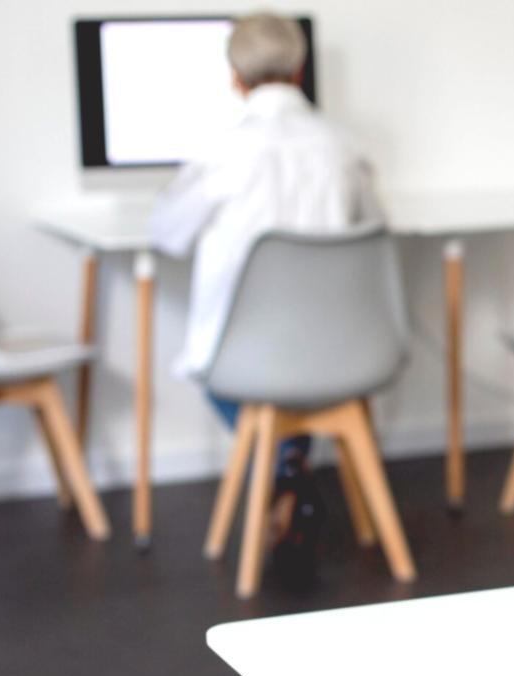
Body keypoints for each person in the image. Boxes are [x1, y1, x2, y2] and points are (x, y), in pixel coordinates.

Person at [149, 11, 381, 585]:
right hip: (342, 354)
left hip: (248, 362)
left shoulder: (220, 152)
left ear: (235, 78)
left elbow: (166, 234)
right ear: (300, 71)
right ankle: (292, 463)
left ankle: (282, 470)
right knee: (293, 375)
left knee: (218, 372)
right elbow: (376, 229)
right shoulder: (344, 147)